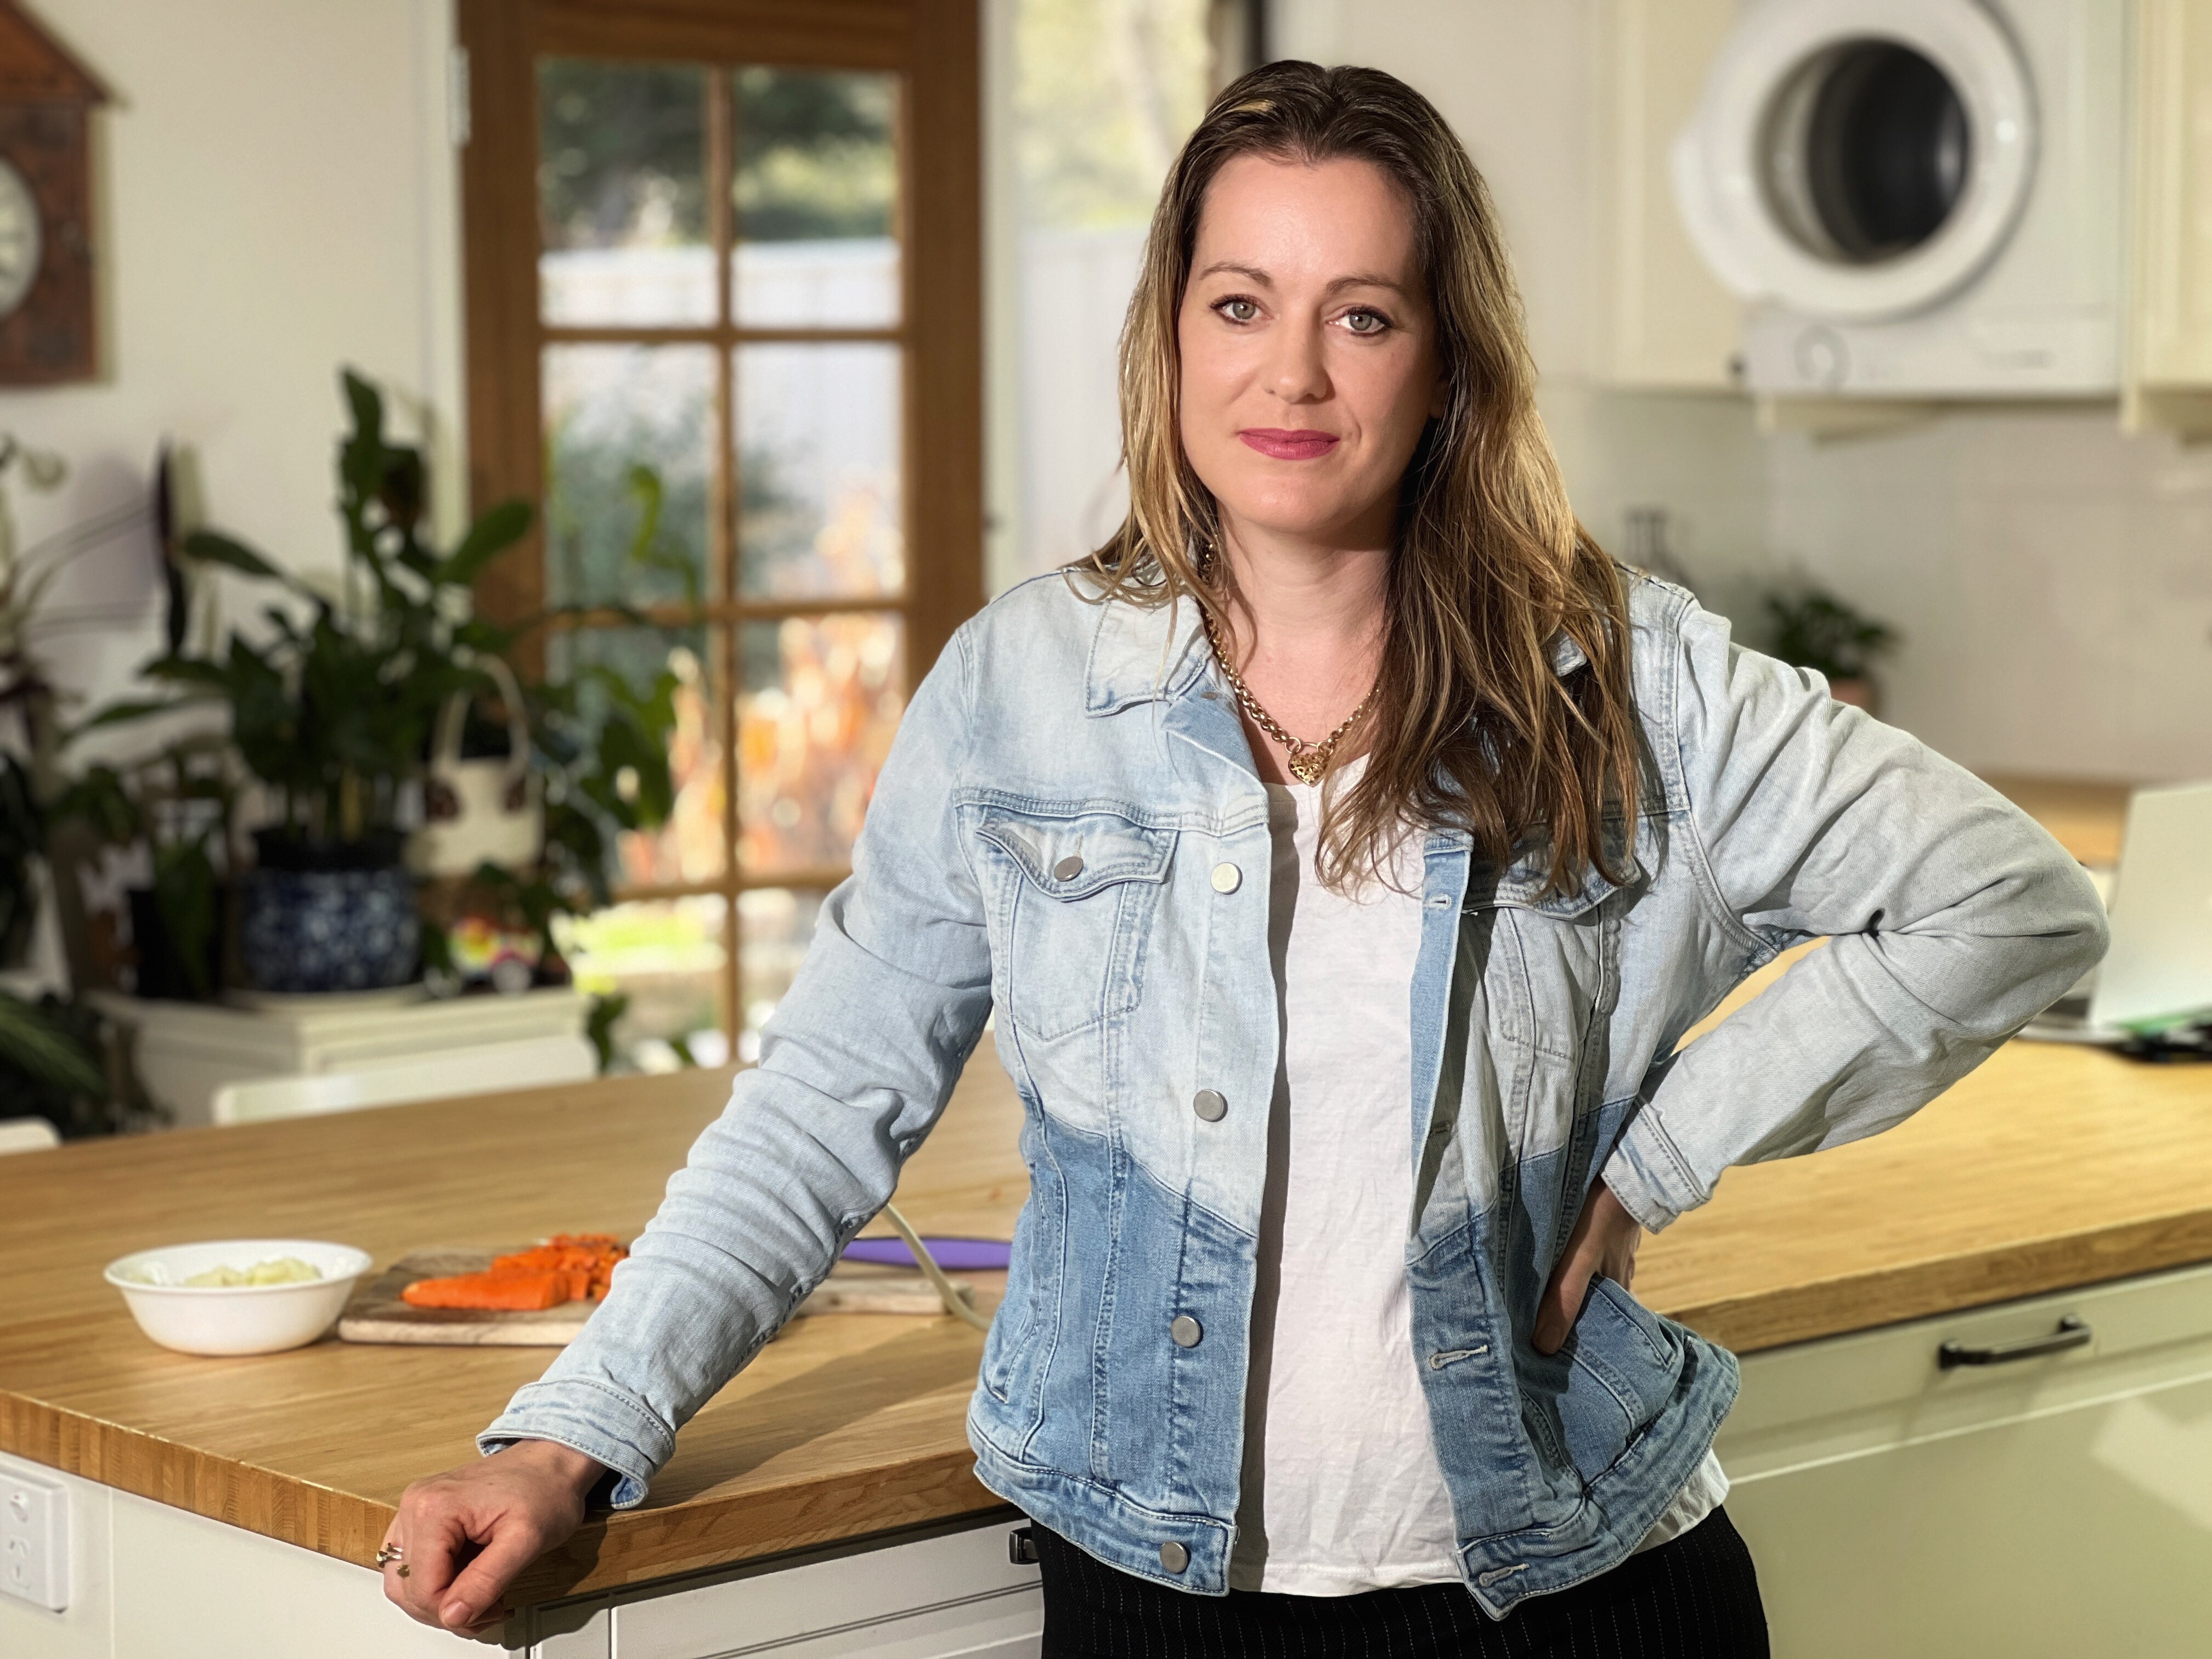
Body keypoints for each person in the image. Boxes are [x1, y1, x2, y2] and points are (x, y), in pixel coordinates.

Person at [382, 61, 2106, 1655]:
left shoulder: (1635, 682)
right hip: (1159, 1604)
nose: (1292, 374)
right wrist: (570, 1433)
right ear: (1173, 335)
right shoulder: (1024, 689)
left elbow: (2007, 903)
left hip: (1579, 1589)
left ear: (1444, 364)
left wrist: (1662, 1155)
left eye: (1363, 315)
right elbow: (823, 1098)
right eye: (1240, 304)